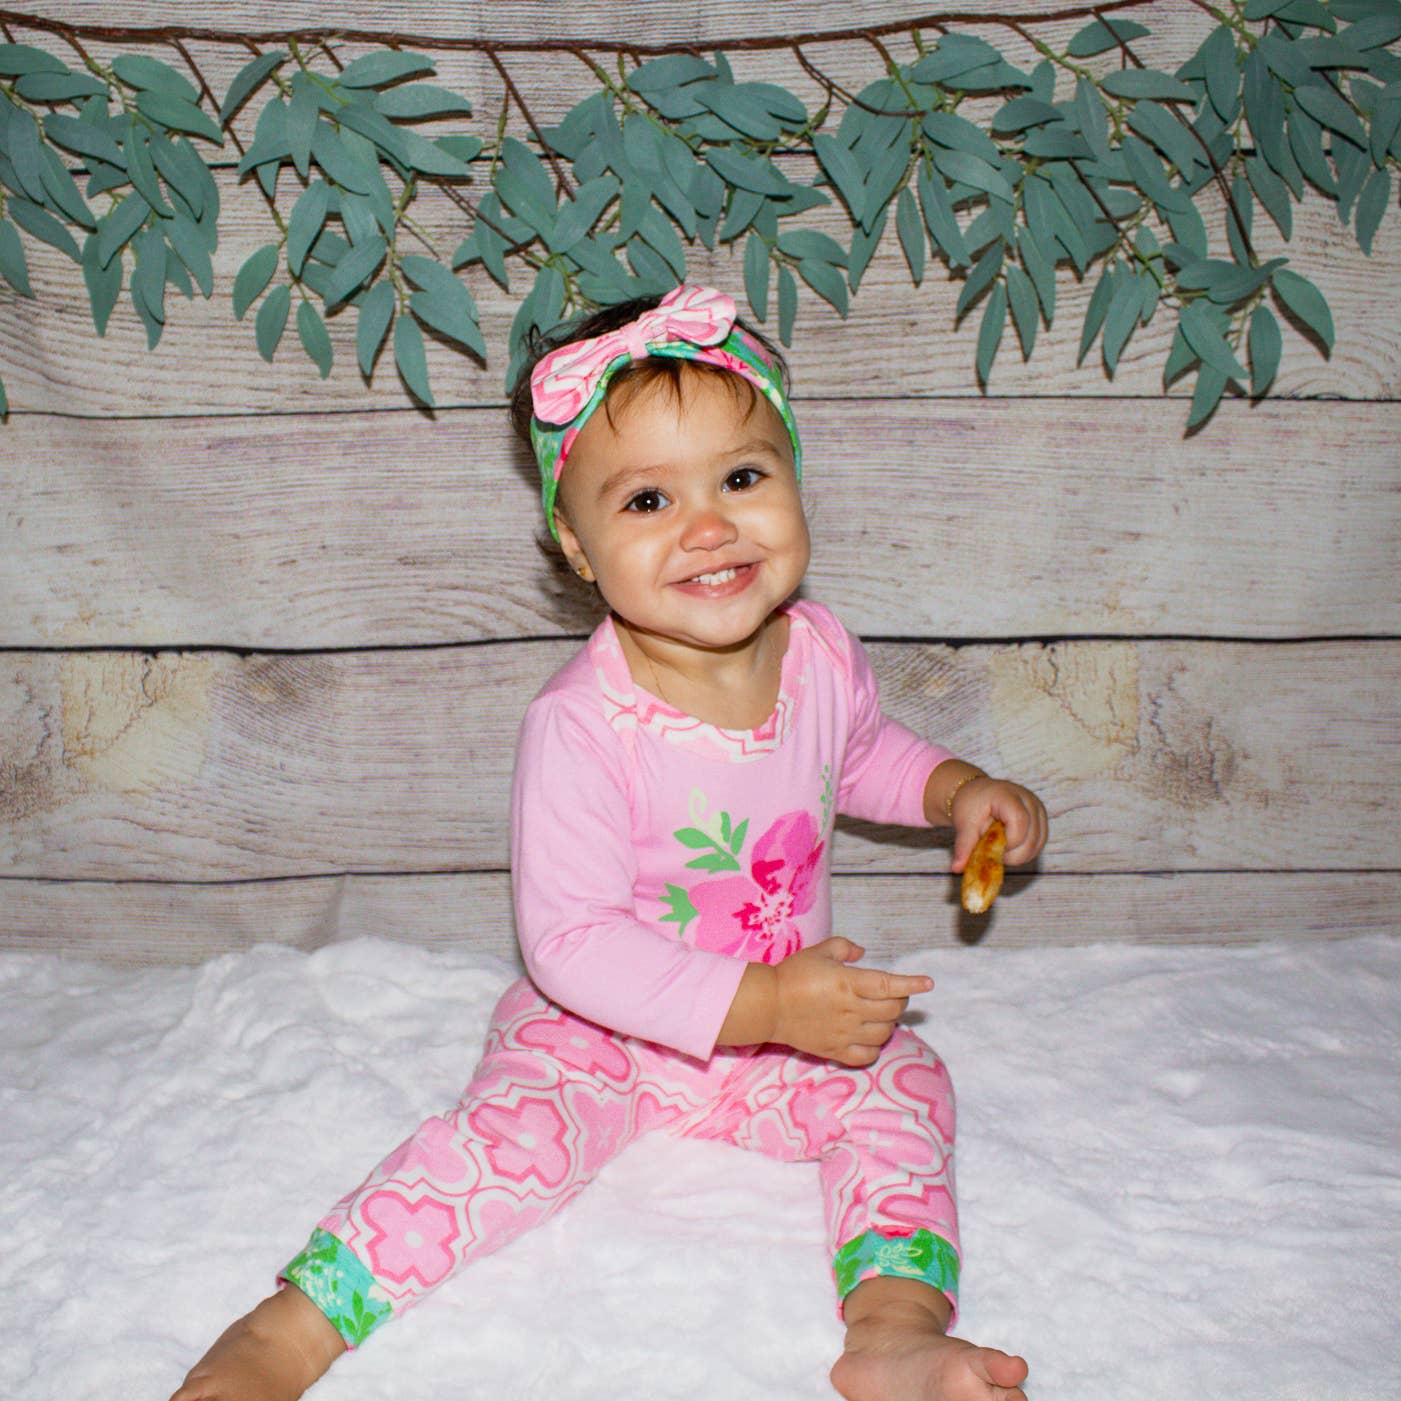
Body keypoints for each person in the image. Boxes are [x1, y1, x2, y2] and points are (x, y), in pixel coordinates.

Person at [171, 284, 1046, 1401]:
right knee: (500, 1149)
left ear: (794, 479)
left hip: (769, 1041)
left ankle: (893, 1327)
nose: (709, 525)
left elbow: (861, 752)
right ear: (577, 549)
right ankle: (296, 1325)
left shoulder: (820, 652)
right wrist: (768, 1002)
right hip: (600, 1037)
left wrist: (962, 791)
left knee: (905, 1086)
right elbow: (571, 941)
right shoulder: (584, 725)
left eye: (741, 477)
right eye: (646, 501)